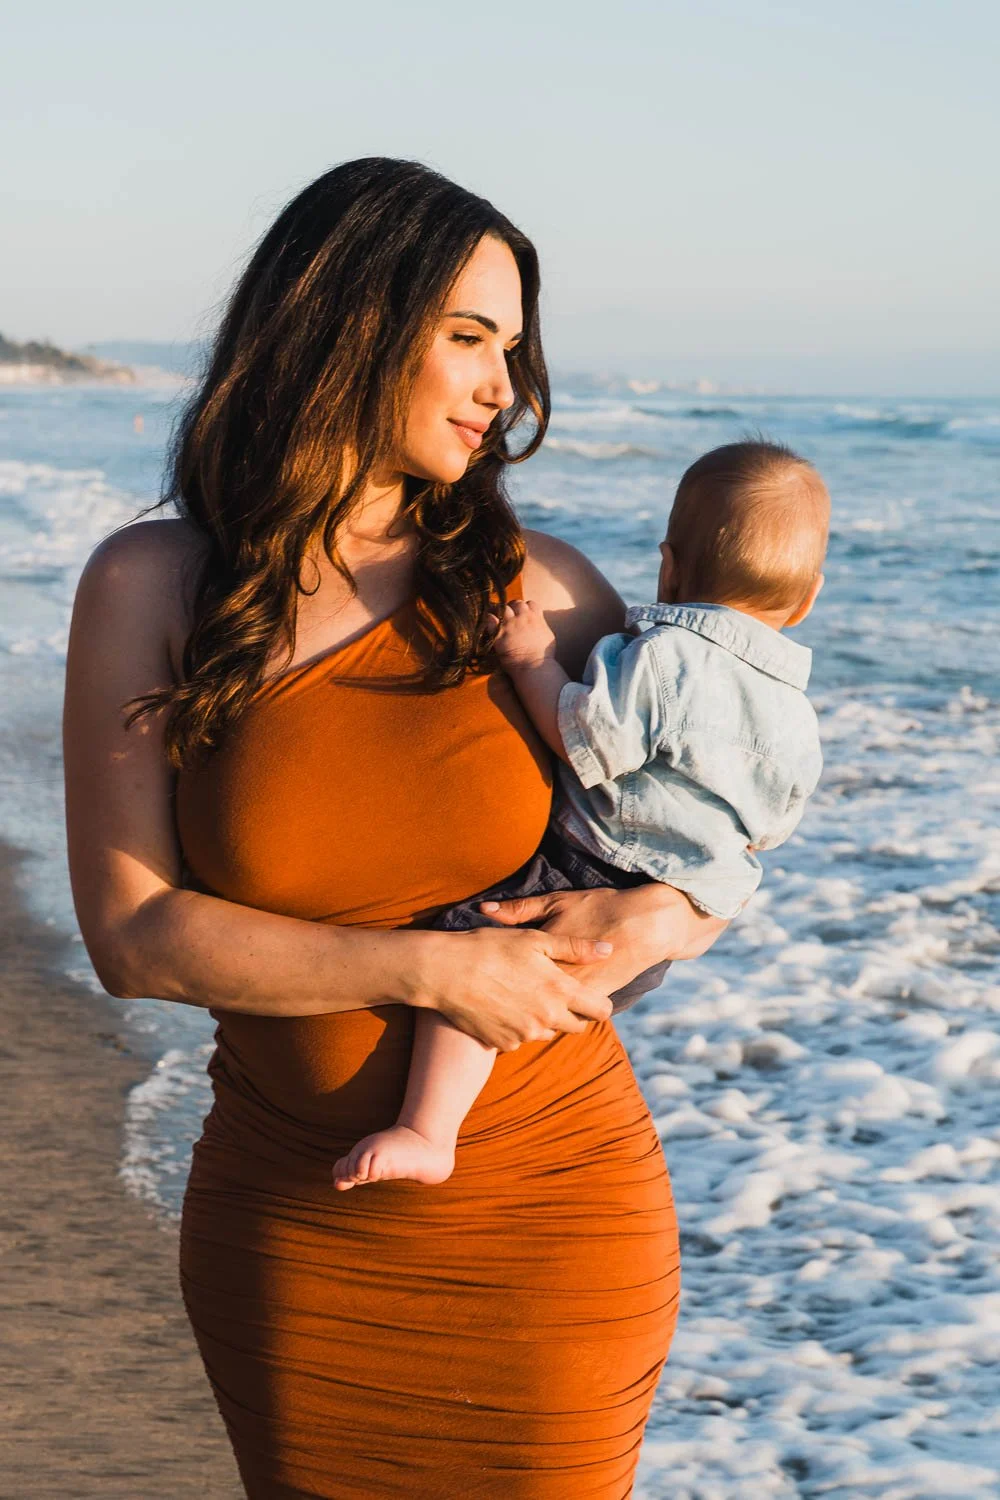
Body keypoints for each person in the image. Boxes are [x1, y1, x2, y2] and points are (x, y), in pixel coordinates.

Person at [63, 158, 726, 1499]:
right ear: (346, 320)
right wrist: (428, 968)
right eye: (470, 338)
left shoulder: (544, 594)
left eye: (516, 349)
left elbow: (705, 841)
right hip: (294, 1233)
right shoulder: (154, 584)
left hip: (555, 1220)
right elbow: (136, 939)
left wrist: (671, 918)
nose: (507, 387)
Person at [334, 440, 827, 1193]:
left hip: (587, 862)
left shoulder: (666, 657)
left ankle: (428, 1131)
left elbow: (586, 738)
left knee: (475, 964)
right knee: (534, 1017)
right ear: (808, 599)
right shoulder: (798, 718)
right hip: (663, 926)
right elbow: (772, 829)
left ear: (669, 566)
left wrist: (533, 659)